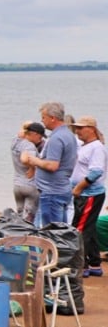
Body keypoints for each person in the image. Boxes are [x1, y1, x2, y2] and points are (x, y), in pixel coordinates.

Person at [21, 102, 78, 226]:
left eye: (44, 117)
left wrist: (35, 160)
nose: (42, 121)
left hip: (52, 191)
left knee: (52, 230)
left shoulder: (57, 138)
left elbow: (52, 165)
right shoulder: (69, 135)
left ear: (52, 118)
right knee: (61, 229)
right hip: (61, 188)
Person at [70, 116, 106, 277]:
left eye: (81, 128)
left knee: (81, 229)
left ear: (91, 129)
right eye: (76, 128)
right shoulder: (85, 146)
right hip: (85, 194)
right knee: (88, 228)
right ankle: (94, 263)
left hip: (90, 194)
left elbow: (96, 171)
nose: (77, 131)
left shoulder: (97, 148)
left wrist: (79, 187)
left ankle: (81, 265)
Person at [12, 121, 45, 224]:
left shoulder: (16, 141)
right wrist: (33, 168)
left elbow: (21, 132)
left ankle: (18, 231)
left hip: (17, 185)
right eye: (40, 137)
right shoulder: (29, 146)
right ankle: (27, 233)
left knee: (20, 214)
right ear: (34, 134)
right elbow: (24, 159)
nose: (40, 140)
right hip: (30, 185)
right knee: (29, 218)